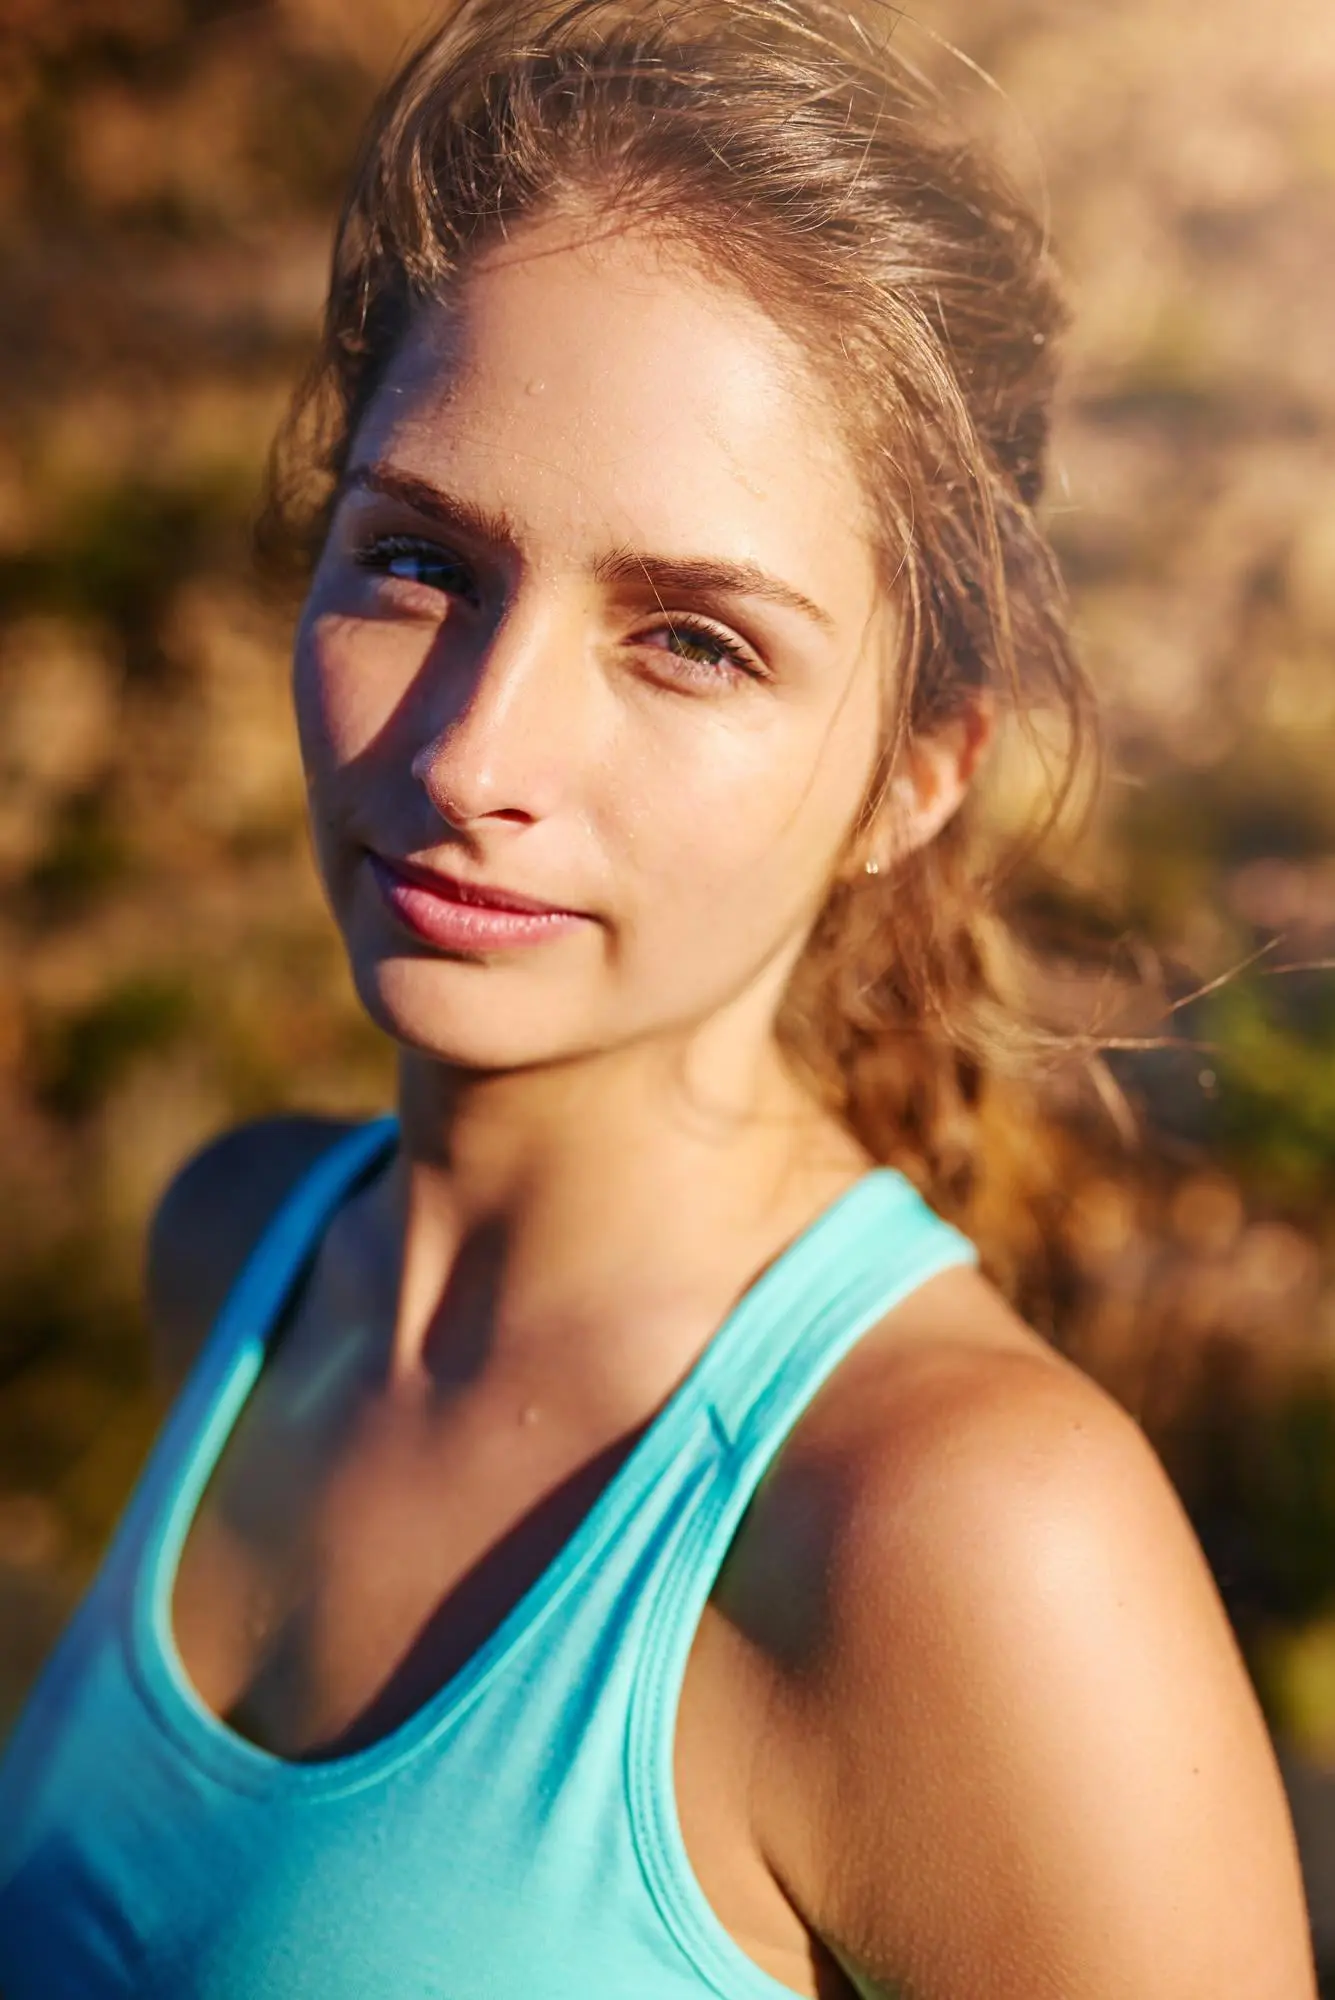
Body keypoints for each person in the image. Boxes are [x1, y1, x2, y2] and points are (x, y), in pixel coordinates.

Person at [0, 2, 1317, 1994]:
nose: (467, 756)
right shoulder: (245, 1257)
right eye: (419, 561)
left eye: (691, 641)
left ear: (914, 771)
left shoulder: (956, 1541)